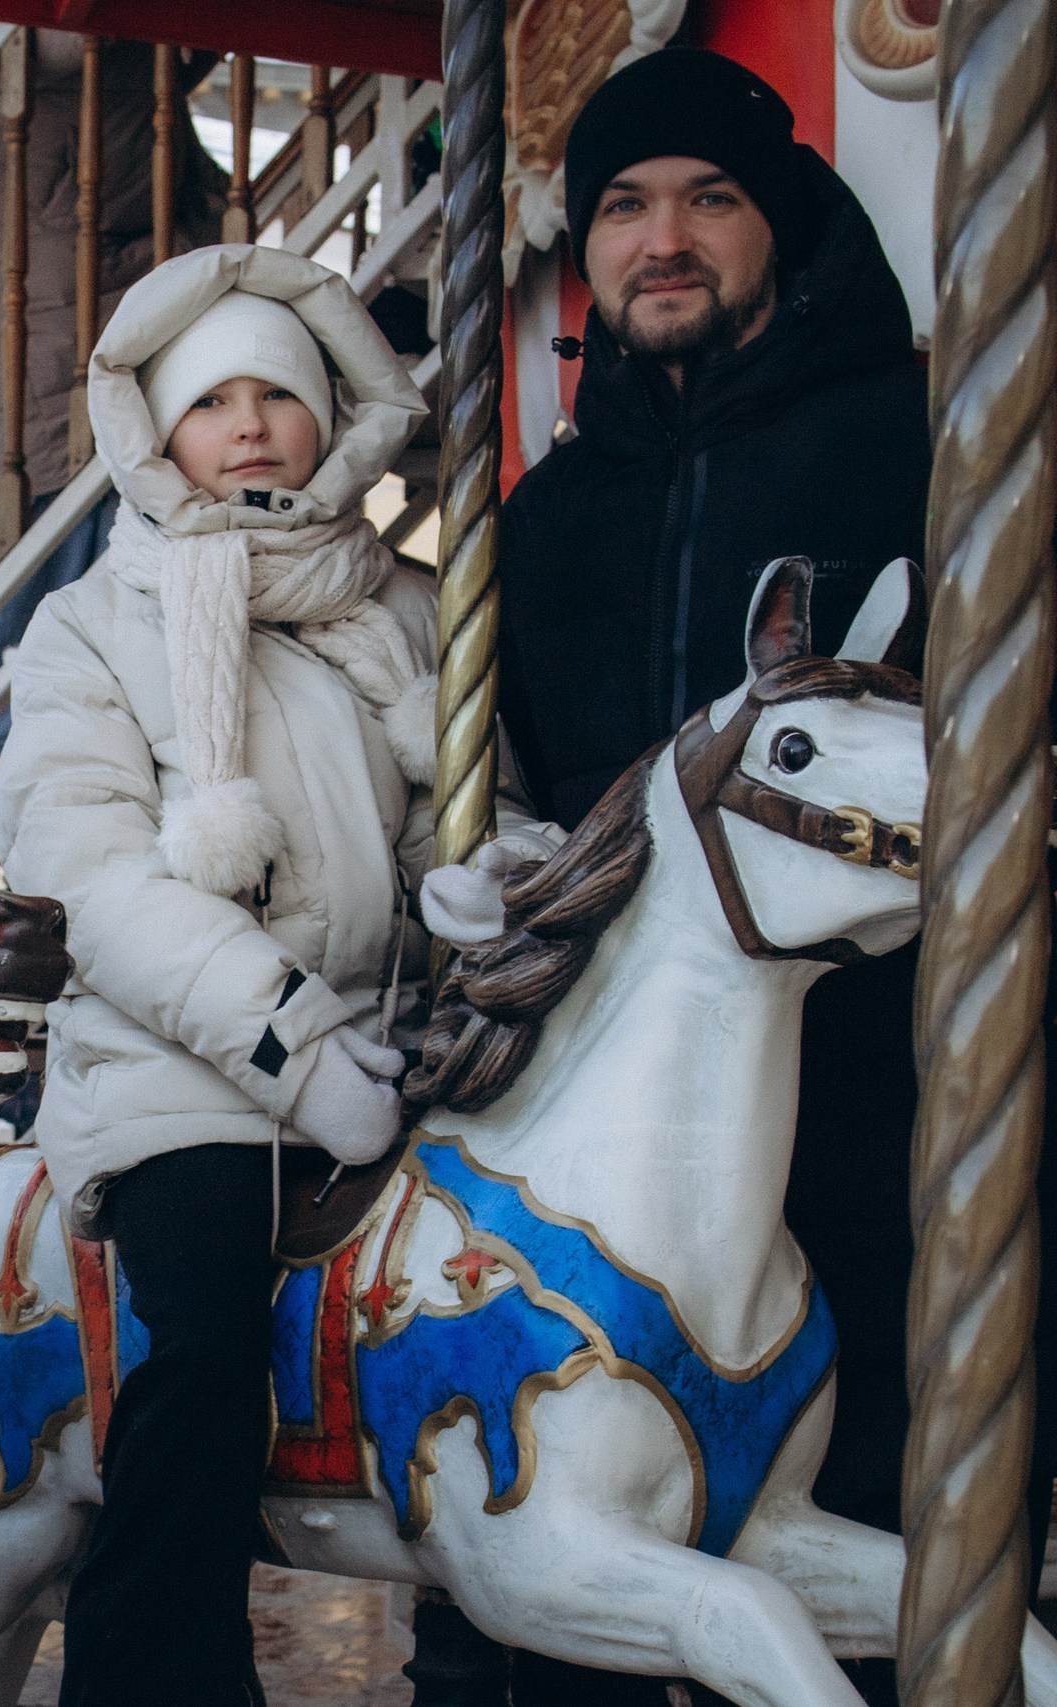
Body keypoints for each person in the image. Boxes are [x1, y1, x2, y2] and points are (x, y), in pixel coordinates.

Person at [420, 46, 1017, 1707]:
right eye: (623, 204)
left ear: (780, 219)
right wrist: (496, 863)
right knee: (569, 1461)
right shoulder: (545, 519)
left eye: (707, 196)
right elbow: (520, 767)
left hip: (889, 1057)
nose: (661, 237)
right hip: (623, 1083)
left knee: (891, 1464)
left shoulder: (922, 437)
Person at [0, 244, 551, 1706]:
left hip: (397, 1050)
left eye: (279, 396)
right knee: (207, 1340)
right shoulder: (92, 626)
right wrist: (290, 1044)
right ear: (156, 432)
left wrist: (488, 879)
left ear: (335, 418)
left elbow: (461, 808)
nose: (248, 426)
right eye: (211, 401)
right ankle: (155, 1670)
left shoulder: (409, 608)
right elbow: (89, 876)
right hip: (182, 1074)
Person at [0, 34, 224, 744]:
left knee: (39, 546)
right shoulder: (54, 82)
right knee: (34, 548)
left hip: (49, 386)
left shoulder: (58, 95)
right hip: (55, 387)